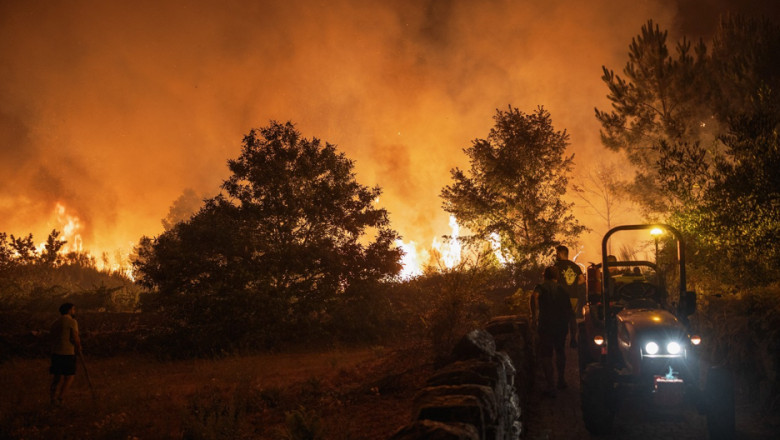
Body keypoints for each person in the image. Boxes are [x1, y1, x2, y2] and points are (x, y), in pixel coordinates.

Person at [530, 266, 577, 397]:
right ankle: (561, 380)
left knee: (546, 354)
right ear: (557, 276)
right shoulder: (563, 291)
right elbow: (571, 314)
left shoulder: (541, 287)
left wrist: (534, 316)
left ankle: (551, 385)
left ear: (544, 275)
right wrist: (573, 335)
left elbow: (534, 296)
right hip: (561, 325)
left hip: (546, 325)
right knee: (560, 351)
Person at [50, 302, 81, 406]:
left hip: (56, 352)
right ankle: (61, 397)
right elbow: (75, 337)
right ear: (69, 310)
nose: (74, 311)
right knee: (69, 376)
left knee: (56, 377)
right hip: (68, 352)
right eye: (73, 309)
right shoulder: (72, 322)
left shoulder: (55, 322)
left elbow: (52, 337)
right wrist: (78, 347)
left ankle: (52, 398)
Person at [554, 245, 586, 318]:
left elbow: (553, 280)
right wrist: (573, 283)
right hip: (574, 296)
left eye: (557, 253)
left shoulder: (557, 266)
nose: (556, 255)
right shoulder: (575, 266)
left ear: (561, 254)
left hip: (561, 297)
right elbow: (582, 280)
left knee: (561, 317)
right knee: (571, 318)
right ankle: (573, 329)